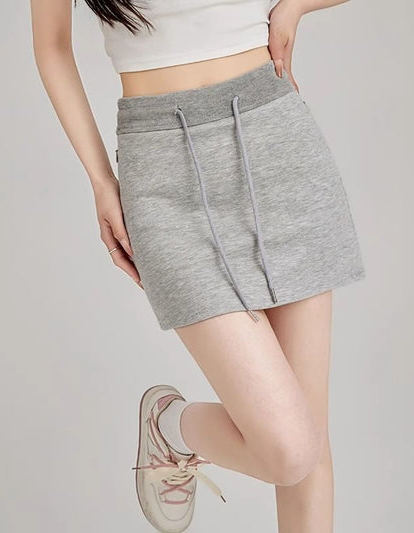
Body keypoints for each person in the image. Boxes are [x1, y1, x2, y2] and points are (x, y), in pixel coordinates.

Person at [30, 1, 366, 531]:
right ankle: (167, 426)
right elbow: (51, 47)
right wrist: (101, 180)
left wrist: (295, 6)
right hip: (162, 168)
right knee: (288, 449)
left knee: (309, 452)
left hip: (277, 143)